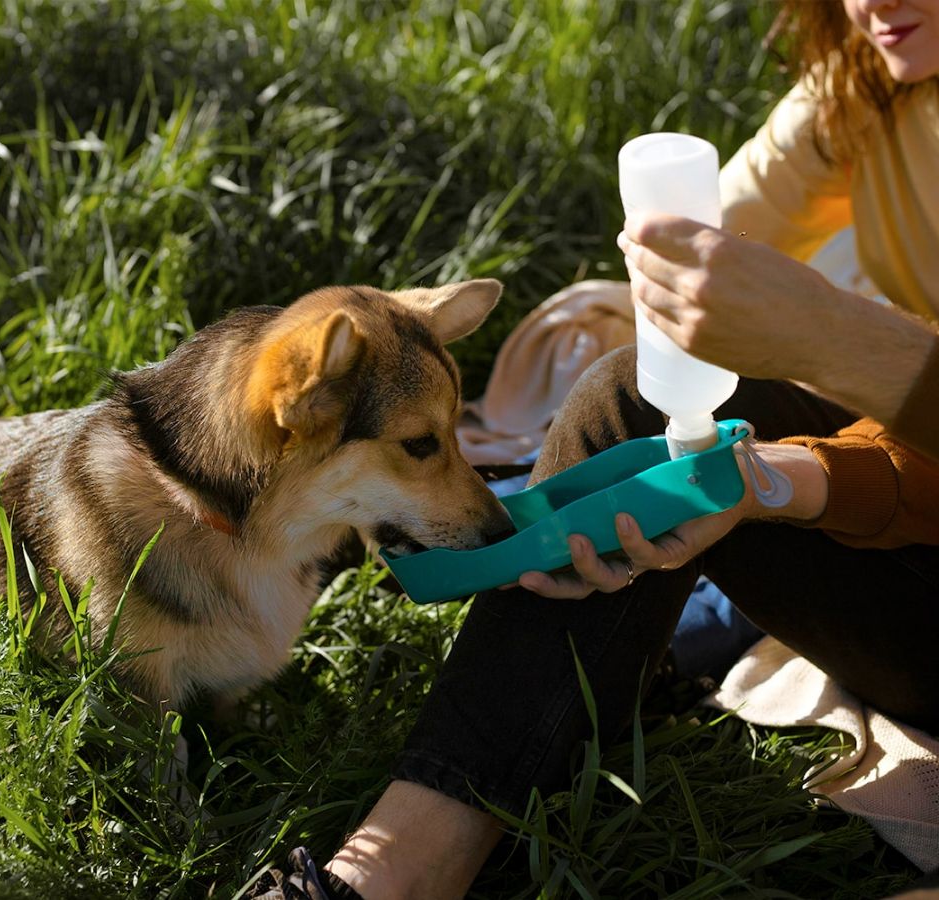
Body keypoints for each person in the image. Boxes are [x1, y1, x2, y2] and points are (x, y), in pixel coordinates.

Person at [250, 0, 939, 897]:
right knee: (631, 398)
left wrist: (830, 339)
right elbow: (711, 248)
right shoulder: (871, 85)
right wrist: (765, 474)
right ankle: (397, 869)